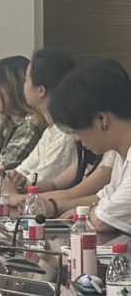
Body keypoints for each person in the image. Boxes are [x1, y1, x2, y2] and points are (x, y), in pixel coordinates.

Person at [0, 50, 77, 192]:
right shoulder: (52, 131)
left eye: (26, 80)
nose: (23, 86)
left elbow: (36, 182)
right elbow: (20, 172)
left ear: (41, 91)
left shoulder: (64, 135)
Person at [46, 59, 131, 232]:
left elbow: (102, 220)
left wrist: (88, 213)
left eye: (77, 130)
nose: (76, 139)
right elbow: (103, 198)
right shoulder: (121, 156)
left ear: (101, 120)